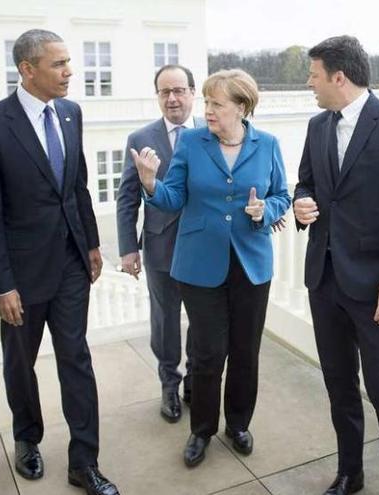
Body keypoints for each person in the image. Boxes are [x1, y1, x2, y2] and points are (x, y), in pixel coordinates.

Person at [0, 29, 117, 495]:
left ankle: (84, 461)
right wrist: (2, 285)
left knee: (77, 358)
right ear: (27, 69)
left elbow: (77, 186)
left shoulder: (72, 113)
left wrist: (90, 242)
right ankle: (26, 437)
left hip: (71, 262)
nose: (71, 72)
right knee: (20, 363)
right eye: (59, 64)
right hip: (21, 275)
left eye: (70, 62)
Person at [131, 69, 291, 467]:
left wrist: (264, 209)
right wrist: (151, 184)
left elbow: (282, 195)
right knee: (207, 353)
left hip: (251, 264)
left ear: (241, 107)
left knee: (245, 352)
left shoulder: (268, 144)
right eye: (206, 103)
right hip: (200, 265)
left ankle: (238, 424)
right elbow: (173, 197)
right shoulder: (191, 142)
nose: (208, 111)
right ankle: (201, 430)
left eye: (216, 104)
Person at [294, 35, 379, 495]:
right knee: (339, 386)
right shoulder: (316, 126)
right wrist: (301, 204)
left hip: (376, 289)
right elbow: (305, 183)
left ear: (338, 76)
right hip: (325, 281)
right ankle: (350, 474)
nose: (309, 84)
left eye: (313, 75)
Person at [117, 64, 203, 423]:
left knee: (203, 320)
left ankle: (196, 381)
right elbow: (126, 198)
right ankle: (170, 382)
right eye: (165, 92)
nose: (172, 98)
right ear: (158, 96)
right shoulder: (140, 138)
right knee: (165, 321)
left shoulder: (210, 133)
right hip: (160, 248)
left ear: (192, 93)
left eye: (179, 90)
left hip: (203, 249)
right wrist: (127, 248)